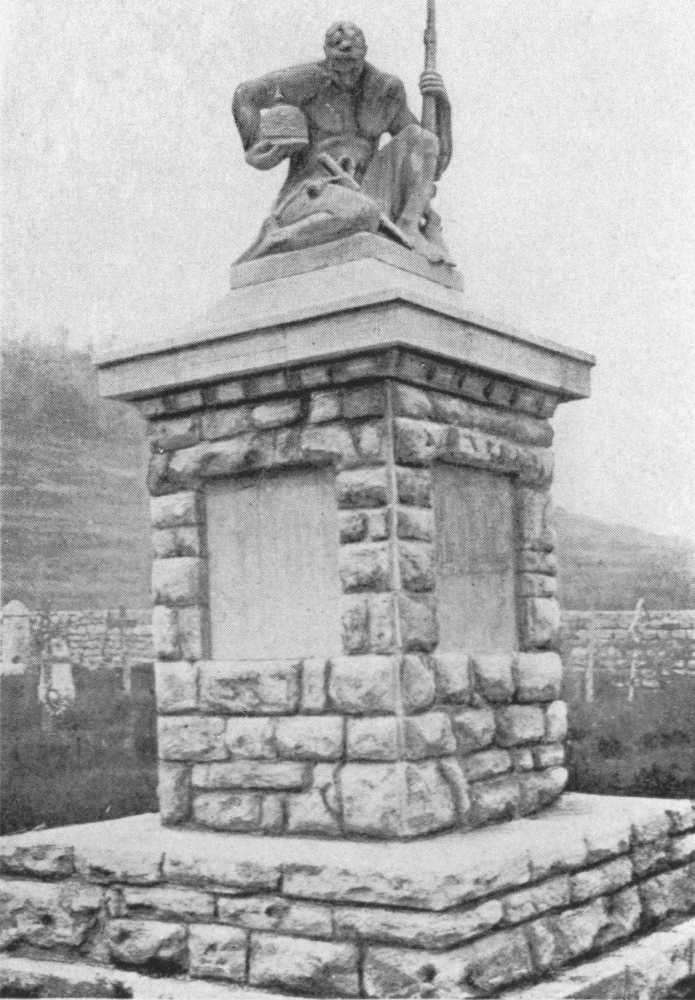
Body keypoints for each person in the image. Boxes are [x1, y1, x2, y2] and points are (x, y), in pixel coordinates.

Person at [232, 21, 452, 263]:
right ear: (327, 54)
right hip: (312, 192)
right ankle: (277, 237)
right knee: (362, 211)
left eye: (353, 66)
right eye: (339, 67)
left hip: (366, 191)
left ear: (364, 53)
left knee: (423, 139)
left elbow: (430, 165)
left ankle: (408, 226)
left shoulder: (385, 89)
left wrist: (442, 106)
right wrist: (255, 147)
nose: (346, 75)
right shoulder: (306, 80)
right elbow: (245, 96)